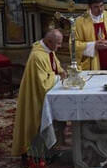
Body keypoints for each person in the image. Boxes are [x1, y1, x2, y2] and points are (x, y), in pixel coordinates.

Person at [11, 29, 67, 157]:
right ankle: (36, 155)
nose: (60, 46)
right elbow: (43, 84)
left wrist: (62, 72)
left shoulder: (49, 51)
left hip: (46, 94)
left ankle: (50, 151)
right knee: (36, 123)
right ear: (48, 41)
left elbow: (56, 68)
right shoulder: (37, 56)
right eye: (58, 43)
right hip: (36, 97)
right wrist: (59, 77)